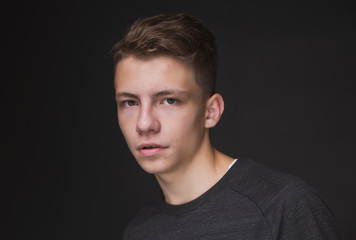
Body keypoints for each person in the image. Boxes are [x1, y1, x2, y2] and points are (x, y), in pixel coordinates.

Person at [111, 13, 339, 239]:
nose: (144, 123)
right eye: (130, 103)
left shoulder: (284, 207)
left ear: (211, 112)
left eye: (170, 100)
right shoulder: (139, 232)